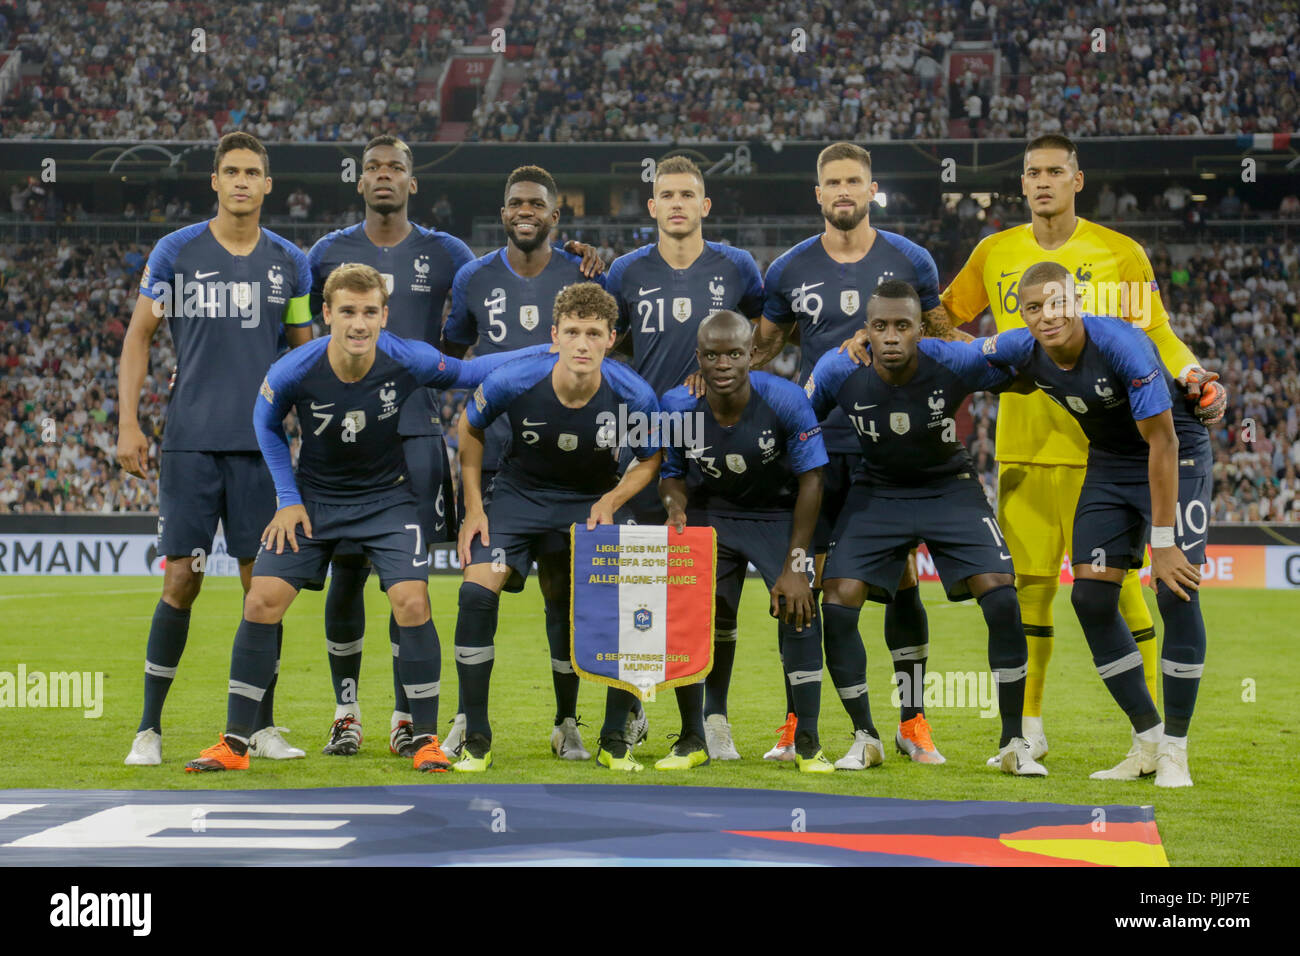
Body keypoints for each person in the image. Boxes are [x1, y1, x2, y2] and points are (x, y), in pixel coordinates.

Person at [183, 263, 540, 773]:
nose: (358, 323)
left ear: (383, 315)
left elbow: (472, 373)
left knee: (412, 601)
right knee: (262, 600)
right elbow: (264, 422)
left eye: (369, 312)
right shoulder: (295, 369)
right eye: (347, 311)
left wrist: (549, 351)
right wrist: (287, 497)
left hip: (386, 500)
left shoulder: (407, 359)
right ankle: (235, 743)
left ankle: (425, 741)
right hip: (314, 501)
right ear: (327, 314)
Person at [937, 134, 1225, 761]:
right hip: (1022, 448)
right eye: (1032, 172)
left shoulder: (1119, 253)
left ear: (1077, 179)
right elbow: (944, 318)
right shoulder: (995, 252)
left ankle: (1147, 740)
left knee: (1121, 594)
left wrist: (1194, 374)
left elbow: (1157, 334)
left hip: (1106, 452)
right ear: (1021, 184)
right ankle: (1028, 730)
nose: (1043, 182)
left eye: (1055, 172)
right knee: (1030, 591)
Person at [749, 142, 950, 763]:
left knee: (905, 586)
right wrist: (699, 387)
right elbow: (757, 351)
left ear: (870, 190)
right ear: (818, 194)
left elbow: (943, 342)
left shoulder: (911, 260)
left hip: (892, 450)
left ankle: (912, 721)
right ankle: (796, 723)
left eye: (853, 181)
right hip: (817, 452)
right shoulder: (787, 269)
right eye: (832, 181)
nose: (842, 190)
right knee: (799, 582)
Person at [118, 132, 314, 767]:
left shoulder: (290, 262)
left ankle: (262, 727)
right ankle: (148, 729)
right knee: (182, 579)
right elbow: (139, 335)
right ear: (214, 180)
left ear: (267, 185)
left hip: (262, 451)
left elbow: (305, 353)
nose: (240, 181)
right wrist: (129, 423)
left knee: (266, 589)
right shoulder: (176, 252)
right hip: (191, 444)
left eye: (252, 172)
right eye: (230, 171)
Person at [976, 261, 1211, 787]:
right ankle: (1148, 741)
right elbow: (960, 357)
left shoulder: (1121, 344)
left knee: (1177, 593)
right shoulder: (1023, 347)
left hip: (1176, 455)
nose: (1046, 315)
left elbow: (1165, 442)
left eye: (1056, 303)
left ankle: (1176, 749)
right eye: (1033, 307)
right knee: (1090, 598)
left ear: (1076, 300)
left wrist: (1165, 544)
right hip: (1107, 460)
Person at [808, 281, 1045, 774]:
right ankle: (866, 736)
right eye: (880, 327)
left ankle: (1013, 743)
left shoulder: (950, 359)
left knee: (1001, 595)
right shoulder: (838, 369)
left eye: (901, 326)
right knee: (838, 601)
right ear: (865, 330)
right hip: (878, 490)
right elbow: (796, 422)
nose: (891, 337)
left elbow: (1022, 365)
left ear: (919, 329)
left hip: (948, 486)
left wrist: (1005, 357)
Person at [306, 135, 474, 759]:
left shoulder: (447, 251)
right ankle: (346, 711)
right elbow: (295, 332)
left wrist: (576, 256)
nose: (383, 176)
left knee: (410, 582)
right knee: (346, 575)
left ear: (412, 182)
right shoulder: (326, 253)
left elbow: (492, 301)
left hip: (414, 440)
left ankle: (406, 715)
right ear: (360, 181)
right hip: (342, 440)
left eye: (395, 168)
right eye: (373, 167)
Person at [453, 282, 663, 772]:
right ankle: (475, 735)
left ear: (612, 338)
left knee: (635, 589)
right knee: (475, 592)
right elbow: (469, 427)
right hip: (520, 496)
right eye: (573, 332)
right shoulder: (515, 378)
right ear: (555, 335)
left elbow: (651, 459)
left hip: (590, 500)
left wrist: (611, 500)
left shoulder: (633, 393)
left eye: (594, 333)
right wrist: (473, 509)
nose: (583, 344)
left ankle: (611, 738)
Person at [439, 165, 606, 758]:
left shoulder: (584, 274)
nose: (525, 210)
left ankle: (567, 722)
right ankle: (468, 720)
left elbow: (613, 356)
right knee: (478, 588)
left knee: (563, 596)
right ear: (503, 212)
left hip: (573, 473)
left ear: (556, 215)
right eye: (515, 203)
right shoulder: (473, 278)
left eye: (537, 203)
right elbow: (450, 364)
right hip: (498, 470)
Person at [603, 154, 764, 759]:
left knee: (703, 593)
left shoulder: (738, 267)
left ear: (704, 205)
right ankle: (633, 713)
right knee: (643, 590)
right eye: (665, 194)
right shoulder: (625, 271)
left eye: (686, 194)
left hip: (718, 441)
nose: (676, 203)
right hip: (648, 438)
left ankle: (703, 723)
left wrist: (733, 381)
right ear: (652, 207)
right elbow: (604, 338)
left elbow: (766, 330)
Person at [658, 311, 831, 772]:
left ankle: (807, 742)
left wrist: (797, 563)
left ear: (752, 354)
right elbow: (672, 475)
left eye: (734, 353)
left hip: (776, 514)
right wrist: (675, 506)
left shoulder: (786, 399)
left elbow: (812, 480)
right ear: (698, 357)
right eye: (711, 355)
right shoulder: (678, 405)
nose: (723, 364)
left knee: (801, 610)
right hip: (710, 514)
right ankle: (697, 734)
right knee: (696, 617)